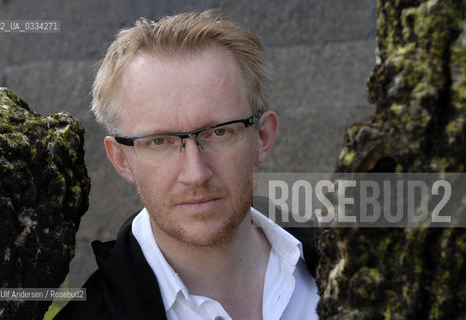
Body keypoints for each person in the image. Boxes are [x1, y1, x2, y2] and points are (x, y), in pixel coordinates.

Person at [55, 9, 319, 320]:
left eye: (220, 132)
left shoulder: (359, 265)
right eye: (159, 141)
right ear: (121, 160)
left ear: (262, 137)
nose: (196, 175)